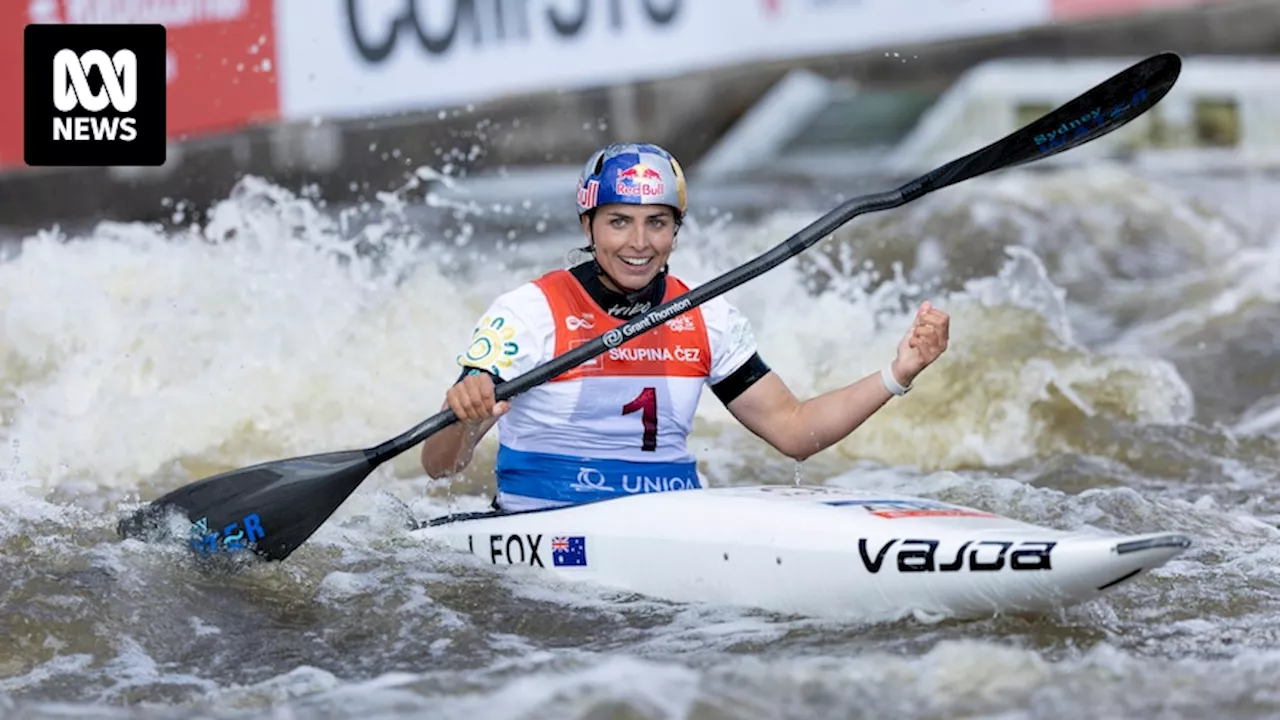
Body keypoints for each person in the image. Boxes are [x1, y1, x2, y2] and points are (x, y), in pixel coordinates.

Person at [421, 142, 950, 511]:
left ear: (676, 229)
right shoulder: (528, 314)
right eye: (619, 222)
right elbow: (440, 466)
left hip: (671, 519)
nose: (639, 243)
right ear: (588, 226)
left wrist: (899, 371)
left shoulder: (708, 316)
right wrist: (460, 416)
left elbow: (795, 432)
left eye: (658, 222)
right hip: (548, 526)